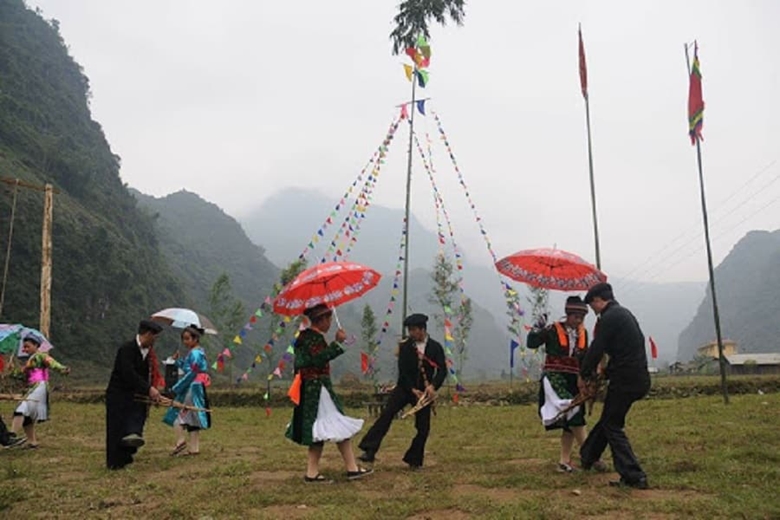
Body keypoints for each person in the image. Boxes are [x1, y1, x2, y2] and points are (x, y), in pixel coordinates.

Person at [285, 304, 372, 482]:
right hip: (317, 390)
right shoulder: (313, 338)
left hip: (313, 389)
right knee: (323, 428)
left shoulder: (304, 337)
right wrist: (337, 343)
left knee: (332, 428)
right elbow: (317, 360)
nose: (331, 323)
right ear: (322, 320)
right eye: (329, 319)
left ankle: (348, 468)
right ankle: (317, 472)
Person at [579, 282, 651, 489]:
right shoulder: (623, 314)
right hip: (636, 377)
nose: (593, 312)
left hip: (626, 380)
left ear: (598, 301)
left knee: (612, 425)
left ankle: (634, 476)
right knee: (610, 417)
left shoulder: (609, 318)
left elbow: (597, 348)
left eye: (592, 307)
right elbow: (625, 351)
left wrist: (584, 373)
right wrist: (606, 372)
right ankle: (588, 456)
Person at [527, 295, 606, 473]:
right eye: (575, 316)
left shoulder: (583, 333)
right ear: (567, 314)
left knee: (572, 419)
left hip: (575, 380)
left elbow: (585, 358)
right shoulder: (552, 330)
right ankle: (590, 455)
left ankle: (564, 461)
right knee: (574, 412)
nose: (578, 320)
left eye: (582, 318)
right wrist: (537, 328)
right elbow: (531, 343)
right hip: (555, 378)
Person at [358, 313, 446, 469]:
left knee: (423, 428)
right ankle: (369, 450)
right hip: (405, 388)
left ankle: (414, 459)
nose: (411, 333)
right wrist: (412, 389)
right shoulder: (405, 346)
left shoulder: (435, 347)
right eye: (410, 330)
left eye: (414, 330)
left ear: (422, 329)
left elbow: (442, 370)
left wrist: (432, 387)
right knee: (387, 414)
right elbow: (403, 372)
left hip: (424, 393)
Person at [105, 319, 165, 470]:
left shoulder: (149, 354)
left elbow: (149, 375)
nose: (155, 341)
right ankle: (114, 462)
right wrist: (149, 389)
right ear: (147, 334)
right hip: (119, 394)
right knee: (116, 428)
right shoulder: (127, 349)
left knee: (135, 424)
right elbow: (128, 373)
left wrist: (153, 392)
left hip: (137, 395)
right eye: (154, 337)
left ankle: (127, 456)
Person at [10, 335, 70, 448]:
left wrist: (62, 368)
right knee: (27, 416)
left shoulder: (41, 356)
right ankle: (32, 442)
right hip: (31, 388)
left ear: (36, 345)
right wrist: (12, 371)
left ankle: (11, 435)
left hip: (39, 387)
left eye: (27, 346)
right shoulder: (30, 360)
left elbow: (52, 363)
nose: (25, 349)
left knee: (21, 409)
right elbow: (22, 375)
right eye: (24, 347)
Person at [164, 325, 211, 456]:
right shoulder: (197, 352)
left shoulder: (195, 353)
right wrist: (177, 360)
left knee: (178, 412)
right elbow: (187, 366)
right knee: (193, 416)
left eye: (187, 338)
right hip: (196, 386)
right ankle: (194, 448)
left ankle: (180, 441)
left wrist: (177, 388)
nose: (185, 342)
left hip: (191, 387)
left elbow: (191, 373)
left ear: (195, 339)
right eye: (183, 339)